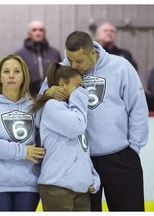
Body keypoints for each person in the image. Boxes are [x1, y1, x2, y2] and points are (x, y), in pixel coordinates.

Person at [40, 31, 149, 211]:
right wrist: (46, 94)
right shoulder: (61, 70)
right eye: (70, 59)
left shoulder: (121, 67)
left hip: (121, 157)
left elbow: (137, 108)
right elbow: (40, 108)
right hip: (82, 161)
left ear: (92, 53)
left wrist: (134, 148)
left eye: (79, 61)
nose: (73, 65)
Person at [0, 54, 45, 211]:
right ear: (0, 77)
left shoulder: (33, 108)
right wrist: (23, 151)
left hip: (28, 185)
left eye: (17, 71)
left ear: (23, 77)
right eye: (6, 71)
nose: (11, 75)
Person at [31, 63, 100, 211]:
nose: (82, 91)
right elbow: (76, 128)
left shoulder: (75, 112)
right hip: (57, 187)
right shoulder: (52, 107)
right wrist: (80, 97)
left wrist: (91, 176)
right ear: (62, 84)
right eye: (78, 86)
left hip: (80, 188)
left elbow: (82, 149)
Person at [15, 20, 62, 98]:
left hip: (52, 98)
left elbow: (62, 76)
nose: (38, 33)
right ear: (29, 34)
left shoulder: (55, 53)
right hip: (28, 99)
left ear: (44, 33)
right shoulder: (20, 55)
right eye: (34, 30)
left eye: (41, 30)